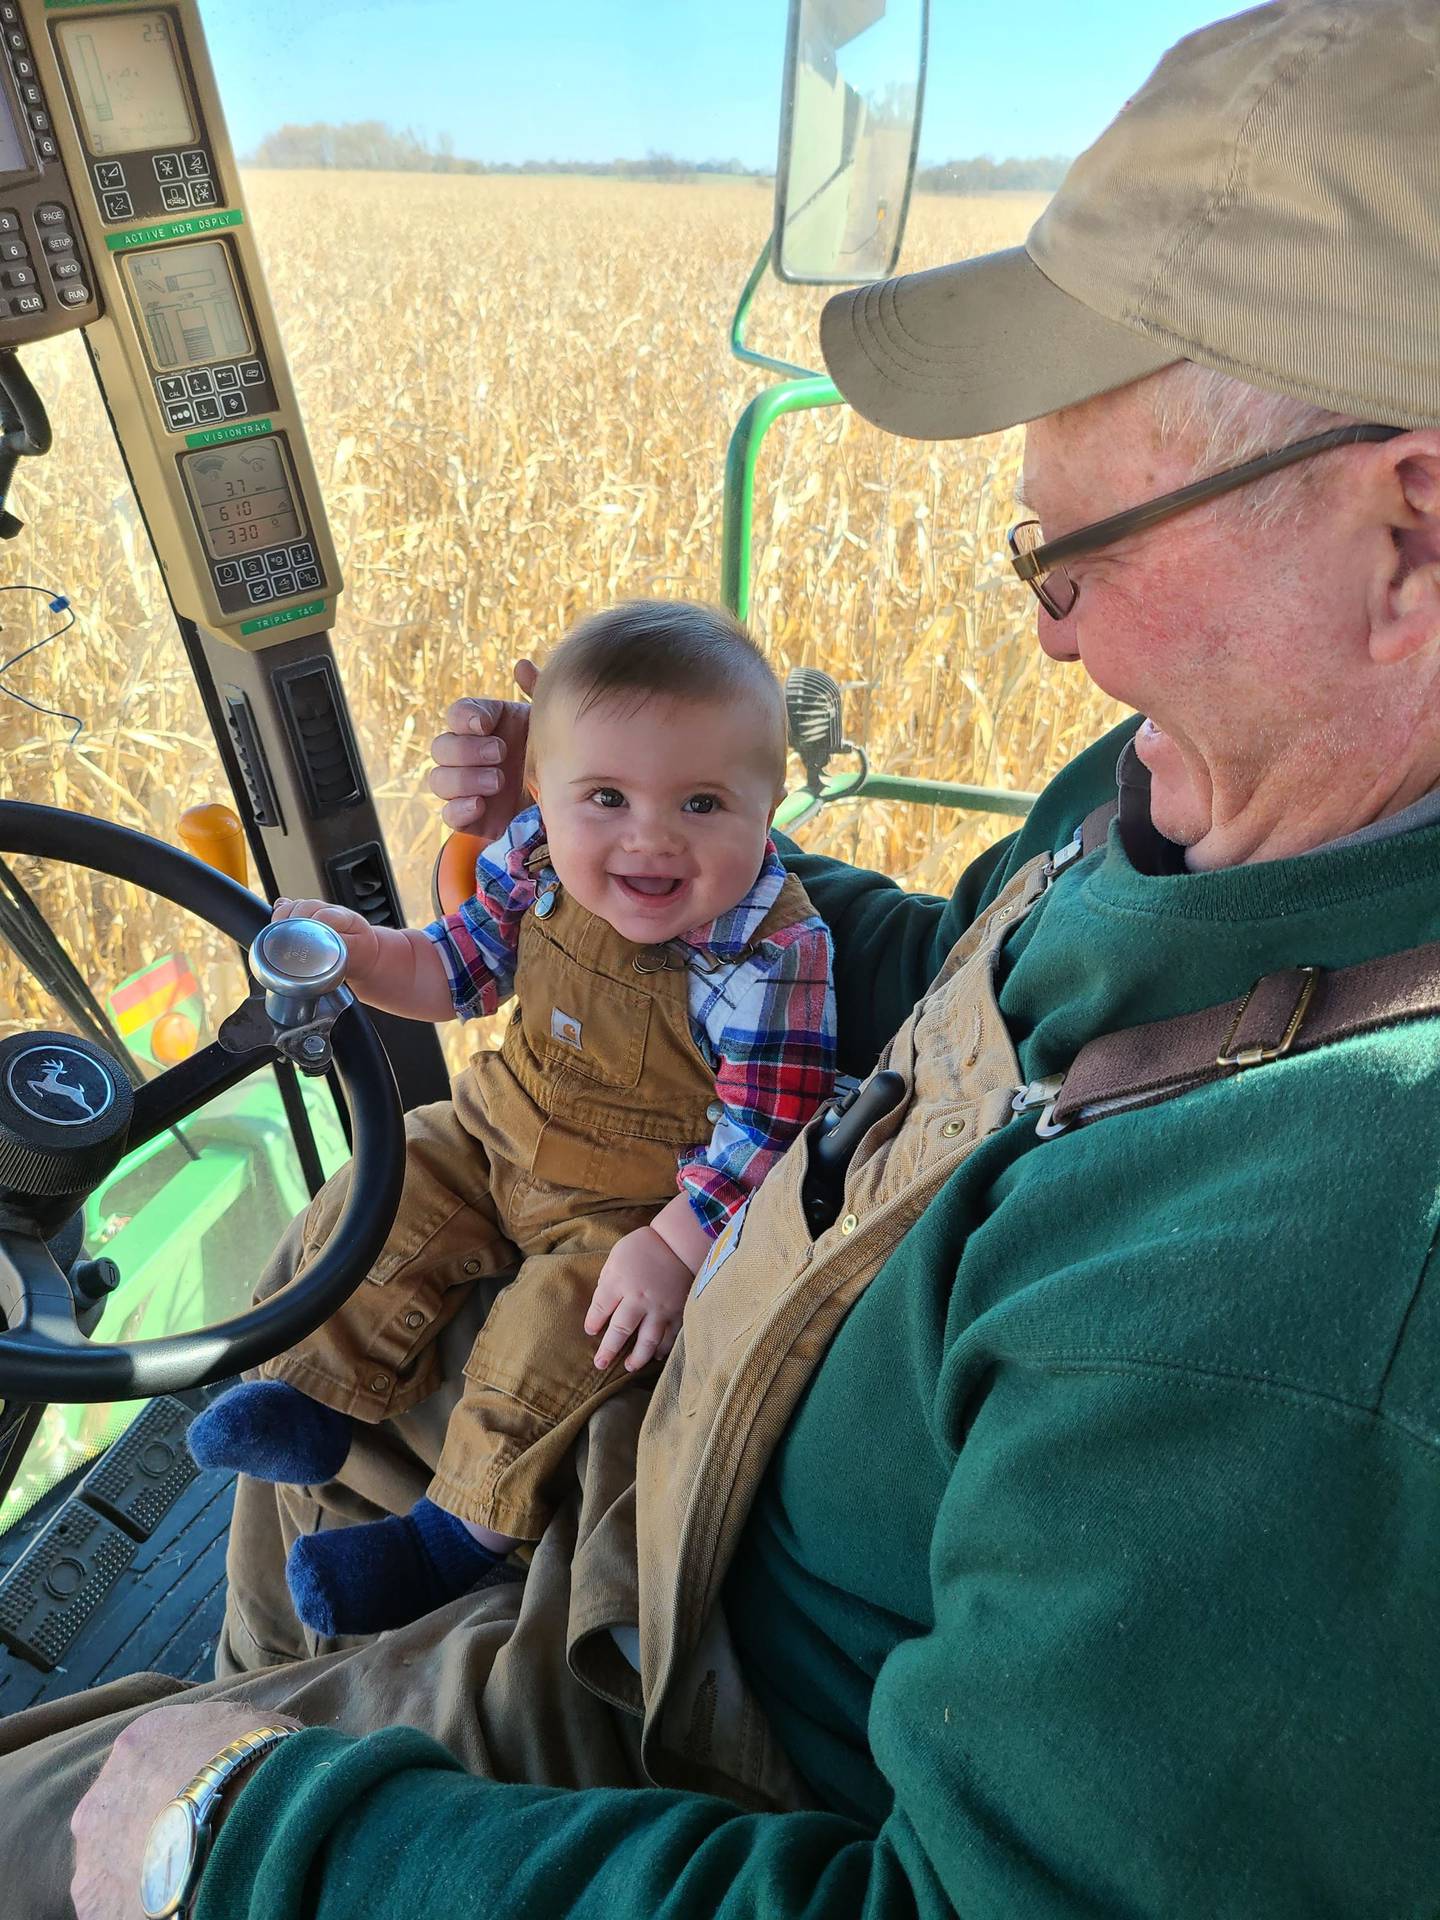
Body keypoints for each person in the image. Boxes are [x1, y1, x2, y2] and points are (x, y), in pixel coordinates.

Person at [2, 3, 1439, 1915]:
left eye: (1075, 561)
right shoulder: (1193, 798)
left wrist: (260, 1840)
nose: (1053, 643)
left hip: (688, 1684)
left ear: (1411, 530)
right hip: (710, 1411)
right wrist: (639, 843)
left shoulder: (1329, 1297)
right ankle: (299, 1688)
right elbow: (956, 976)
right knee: (318, 1300)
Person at [186, 599, 836, 1636]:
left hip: (632, 1205)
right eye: (608, 797)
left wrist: (676, 1243)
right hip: (498, 1135)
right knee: (385, 1187)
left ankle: (453, 1534)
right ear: (542, 792)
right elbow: (452, 970)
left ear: (773, 805)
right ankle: (309, 1398)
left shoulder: (769, 954)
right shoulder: (535, 859)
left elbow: (770, 1132)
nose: (651, 838)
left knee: (561, 1331)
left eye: (705, 803)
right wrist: (360, 950)